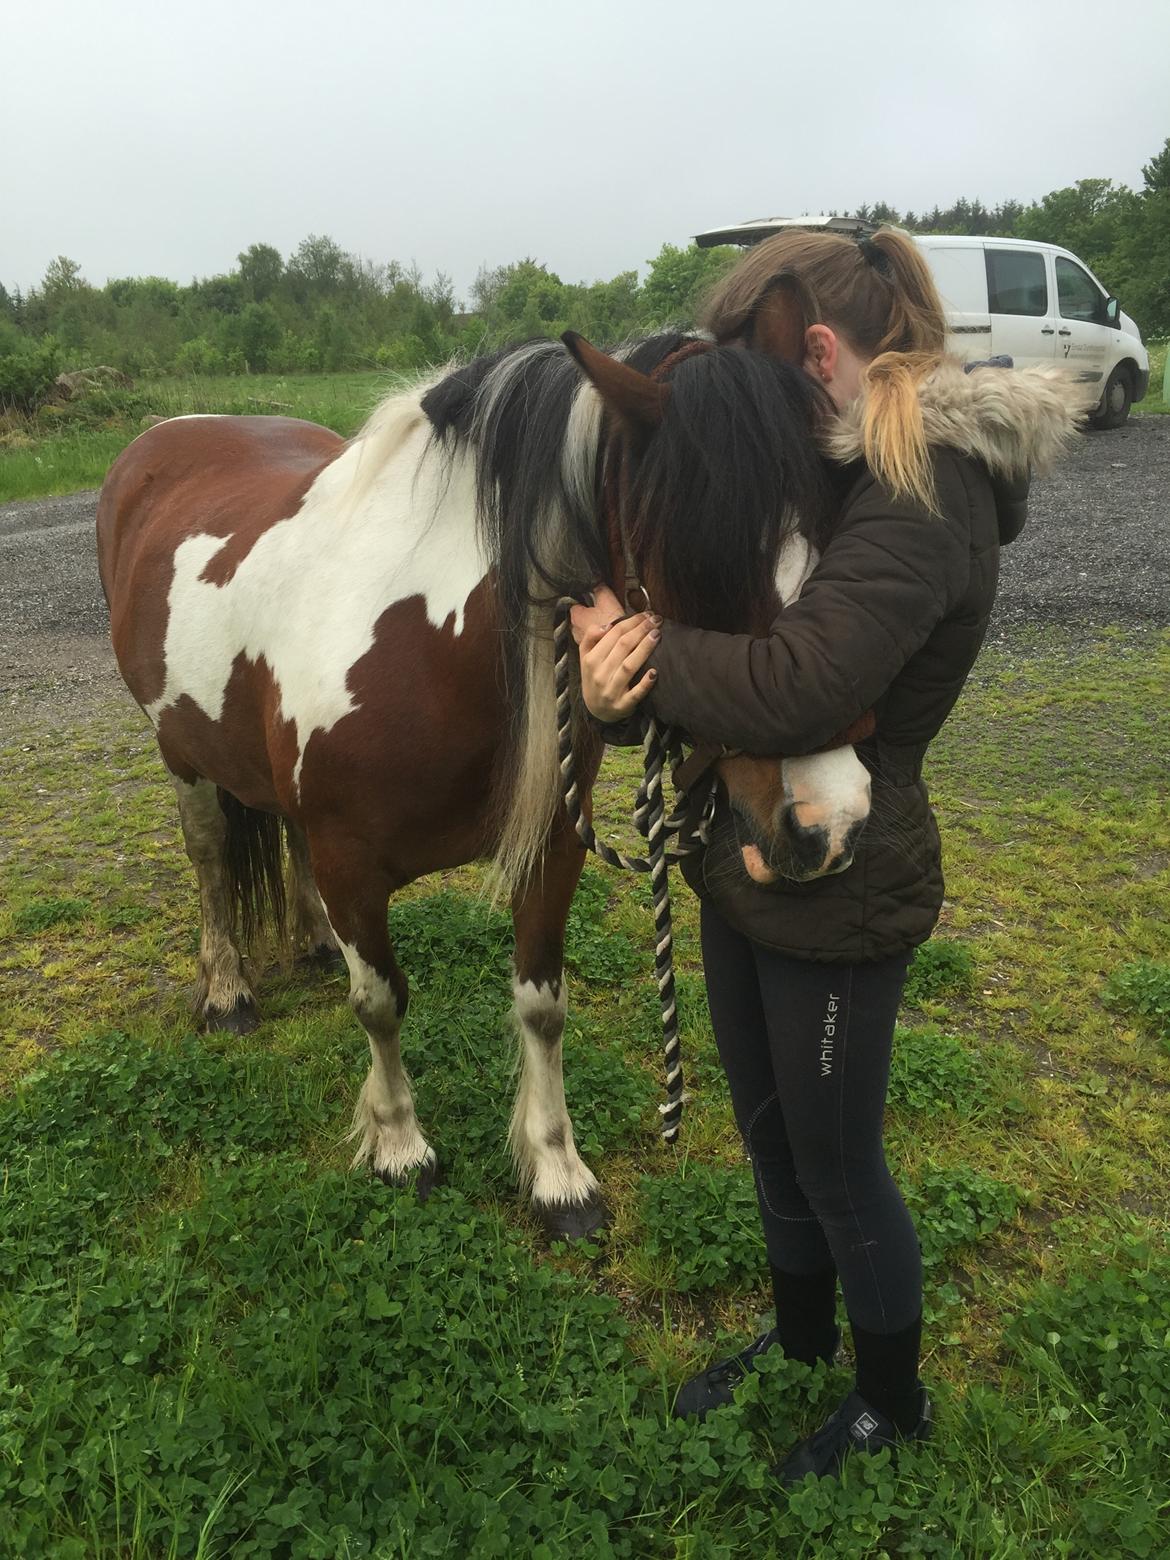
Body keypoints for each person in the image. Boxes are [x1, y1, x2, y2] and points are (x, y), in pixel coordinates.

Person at [571, 228, 1082, 1487]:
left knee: (840, 1164)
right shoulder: (827, 471)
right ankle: (802, 1344)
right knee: (770, 1133)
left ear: (815, 350)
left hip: (848, 878)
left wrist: (639, 646)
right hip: (747, 861)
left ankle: (890, 1400)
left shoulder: (926, 486)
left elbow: (803, 681)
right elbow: (728, 617)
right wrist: (615, 689)